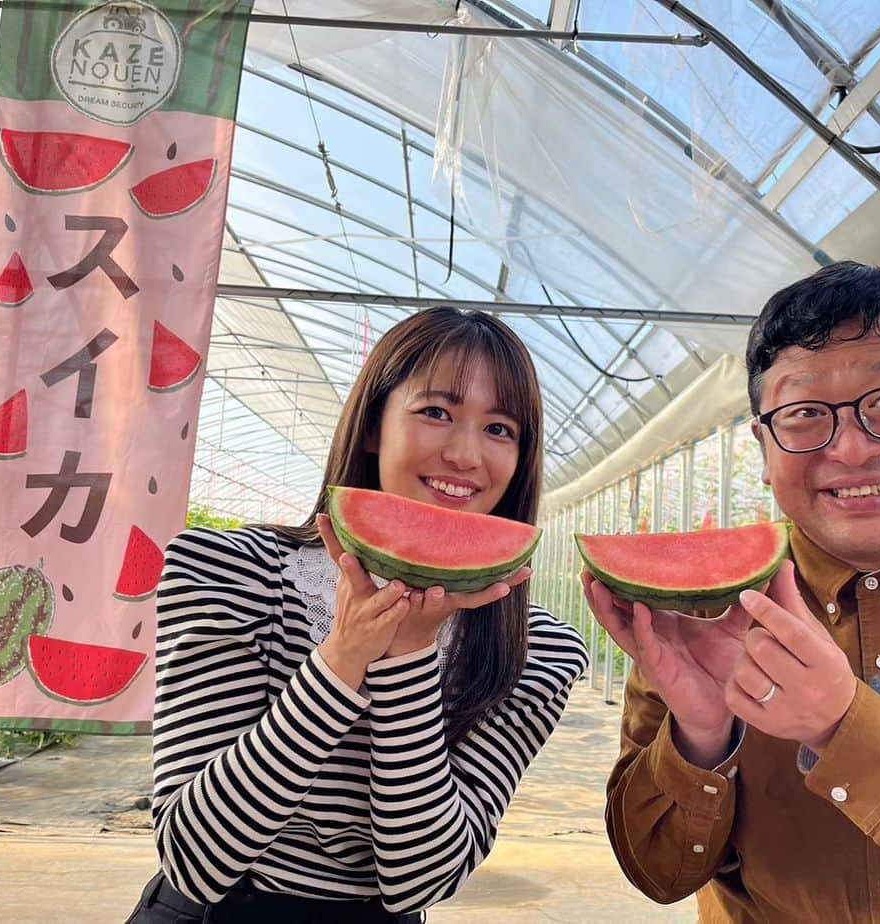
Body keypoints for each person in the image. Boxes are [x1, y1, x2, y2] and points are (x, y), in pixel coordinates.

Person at [584, 261, 880, 923]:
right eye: (804, 414)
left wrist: (843, 726)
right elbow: (658, 872)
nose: (853, 449)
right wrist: (701, 739)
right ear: (766, 450)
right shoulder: (703, 605)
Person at [127, 308, 588, 923]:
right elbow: (196, 857)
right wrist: (342, 657)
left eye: (501, 428)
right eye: (436, 412)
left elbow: (420, 878)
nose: (465, 454)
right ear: (373, 424)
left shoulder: (540, 649)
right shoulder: (231, 569)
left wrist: (409, 660)